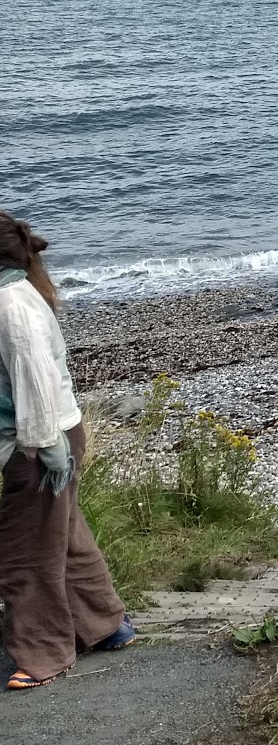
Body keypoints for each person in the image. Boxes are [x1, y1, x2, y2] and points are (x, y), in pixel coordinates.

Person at [0, 212, 134, 692]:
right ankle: (106, 625)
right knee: (65, 534)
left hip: (39, 442)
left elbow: (35, 384)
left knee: (24, 553)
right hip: (52, 434)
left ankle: (42, 654)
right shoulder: (15, 291)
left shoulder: (11, 302)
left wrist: (45, 449)